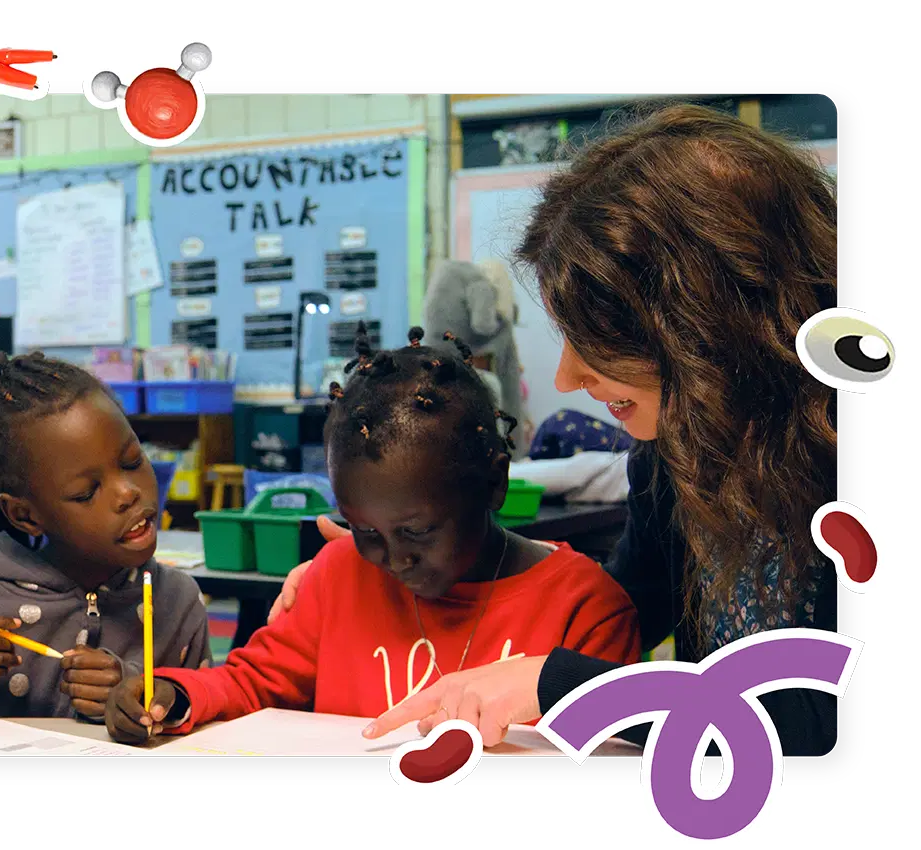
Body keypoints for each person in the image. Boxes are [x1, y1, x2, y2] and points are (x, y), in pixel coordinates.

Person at [269, 104, 839, 756]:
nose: (565, 376)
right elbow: (614, 608)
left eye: (591, 339)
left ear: (705, 325)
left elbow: (813, 724)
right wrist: (368, 576)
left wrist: (557, 683)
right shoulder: (672, 461)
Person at [103, 325, 640, 743]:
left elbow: (608, 761)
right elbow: (251, 682)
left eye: (417, 531)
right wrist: (173, 695)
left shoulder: (585, 607)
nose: (393, 558)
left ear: (494, 483)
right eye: (364, 531)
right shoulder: (338, 575)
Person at [0, 352, 211, 720]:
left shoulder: (177, 601)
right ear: (25, 515)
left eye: (132, 461)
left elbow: (208, 720)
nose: (127, 493)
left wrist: (144, 694)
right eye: (86, 492)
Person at [424, 258, 531, 455]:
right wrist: (502, 323)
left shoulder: (448, 273)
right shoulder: (481, 284)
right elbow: (483, 324)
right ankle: (512, 456)